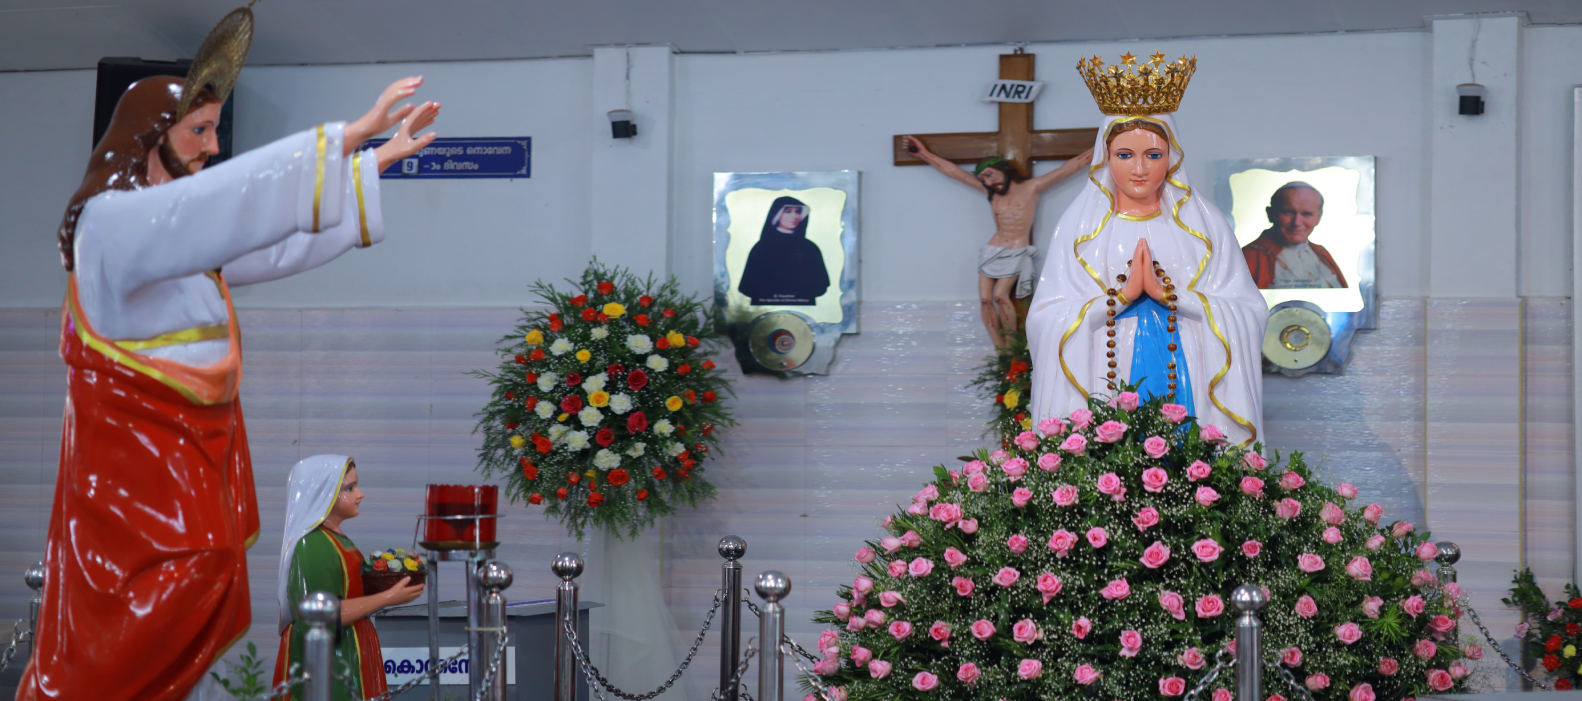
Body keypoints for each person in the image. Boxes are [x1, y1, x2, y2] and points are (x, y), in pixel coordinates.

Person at [19, 8, 441, 697]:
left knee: (210, 580)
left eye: (215, 130)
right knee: (175, 577)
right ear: (153, 137)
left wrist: (372, 164)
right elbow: (209, 209)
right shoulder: (111, 221)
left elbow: (264, 243)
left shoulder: (179, 237)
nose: (214, 147)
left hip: (181, 448)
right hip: (128, 461)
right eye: (201, 131)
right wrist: (345, 136)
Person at [1025, 61, 1266, 446]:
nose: (1139, 169)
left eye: (1153, 155)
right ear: (1105, 158)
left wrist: (1170, 296)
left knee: (1186, 456)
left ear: (1173, 157)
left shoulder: (1205, 226)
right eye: (1124, 155)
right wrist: (1120, 299)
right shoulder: (1079, 231)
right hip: (1105, 366)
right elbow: (1044, 318)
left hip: (1188, 366)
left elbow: (1247, 310)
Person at [900, 136, 1093, 348]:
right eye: (983, 179)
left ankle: (1011, 348)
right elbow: (955, 172)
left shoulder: (1032, 187)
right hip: (992, 249)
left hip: (1017, 250)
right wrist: (923, 154)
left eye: (990, 175)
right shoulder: (991, 194)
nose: (989, 182)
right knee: (984, 300)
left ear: (1004, 170)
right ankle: (999, 349)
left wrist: (1106, 142)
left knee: (1001, 296)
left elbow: (1072, 166)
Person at [275, 456, 425, 700]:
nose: (360, 494)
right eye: (349, 488)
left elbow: (352, 589)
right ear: (323, 494)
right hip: (329, 656)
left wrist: (395, 573)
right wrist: (388, 596)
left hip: (350, 645)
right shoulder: (312, 544)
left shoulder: (338, 540)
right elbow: (318, 614)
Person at [1241, 181, 1348, 288]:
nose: (1296, 223)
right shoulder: (1248, 257)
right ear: (1271, 214)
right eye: (1288, 212)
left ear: (1318, 217)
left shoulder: (1321, 253)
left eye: (1307, 214)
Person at [737, 195, 831, 305]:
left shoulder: (809, 247)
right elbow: (748, 287)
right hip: (765, 309)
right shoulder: (762, 247)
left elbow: (820, 286)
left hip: (802, 307)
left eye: (798, 212)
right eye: (788, 211)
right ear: (777, 215)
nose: (794, 216)